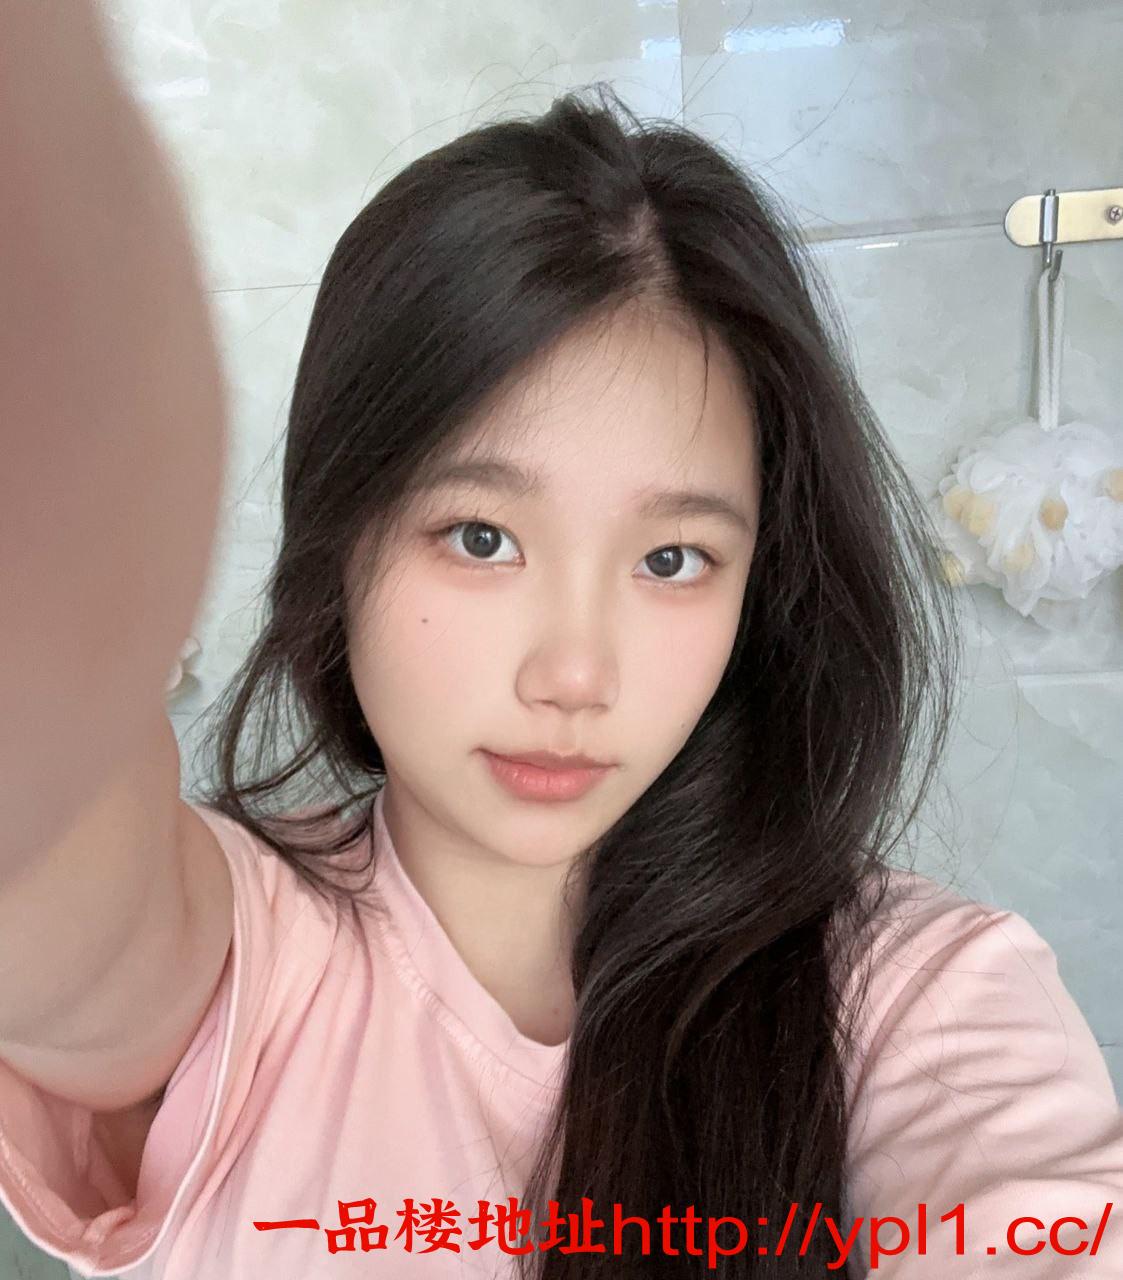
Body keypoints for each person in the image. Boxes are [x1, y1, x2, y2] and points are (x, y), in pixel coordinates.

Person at [1, 5, 1121, 1279]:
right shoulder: (219, 966)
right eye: (481, 537)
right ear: (341, 533)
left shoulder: (916, 995)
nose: (576, 675)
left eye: (671, 559)